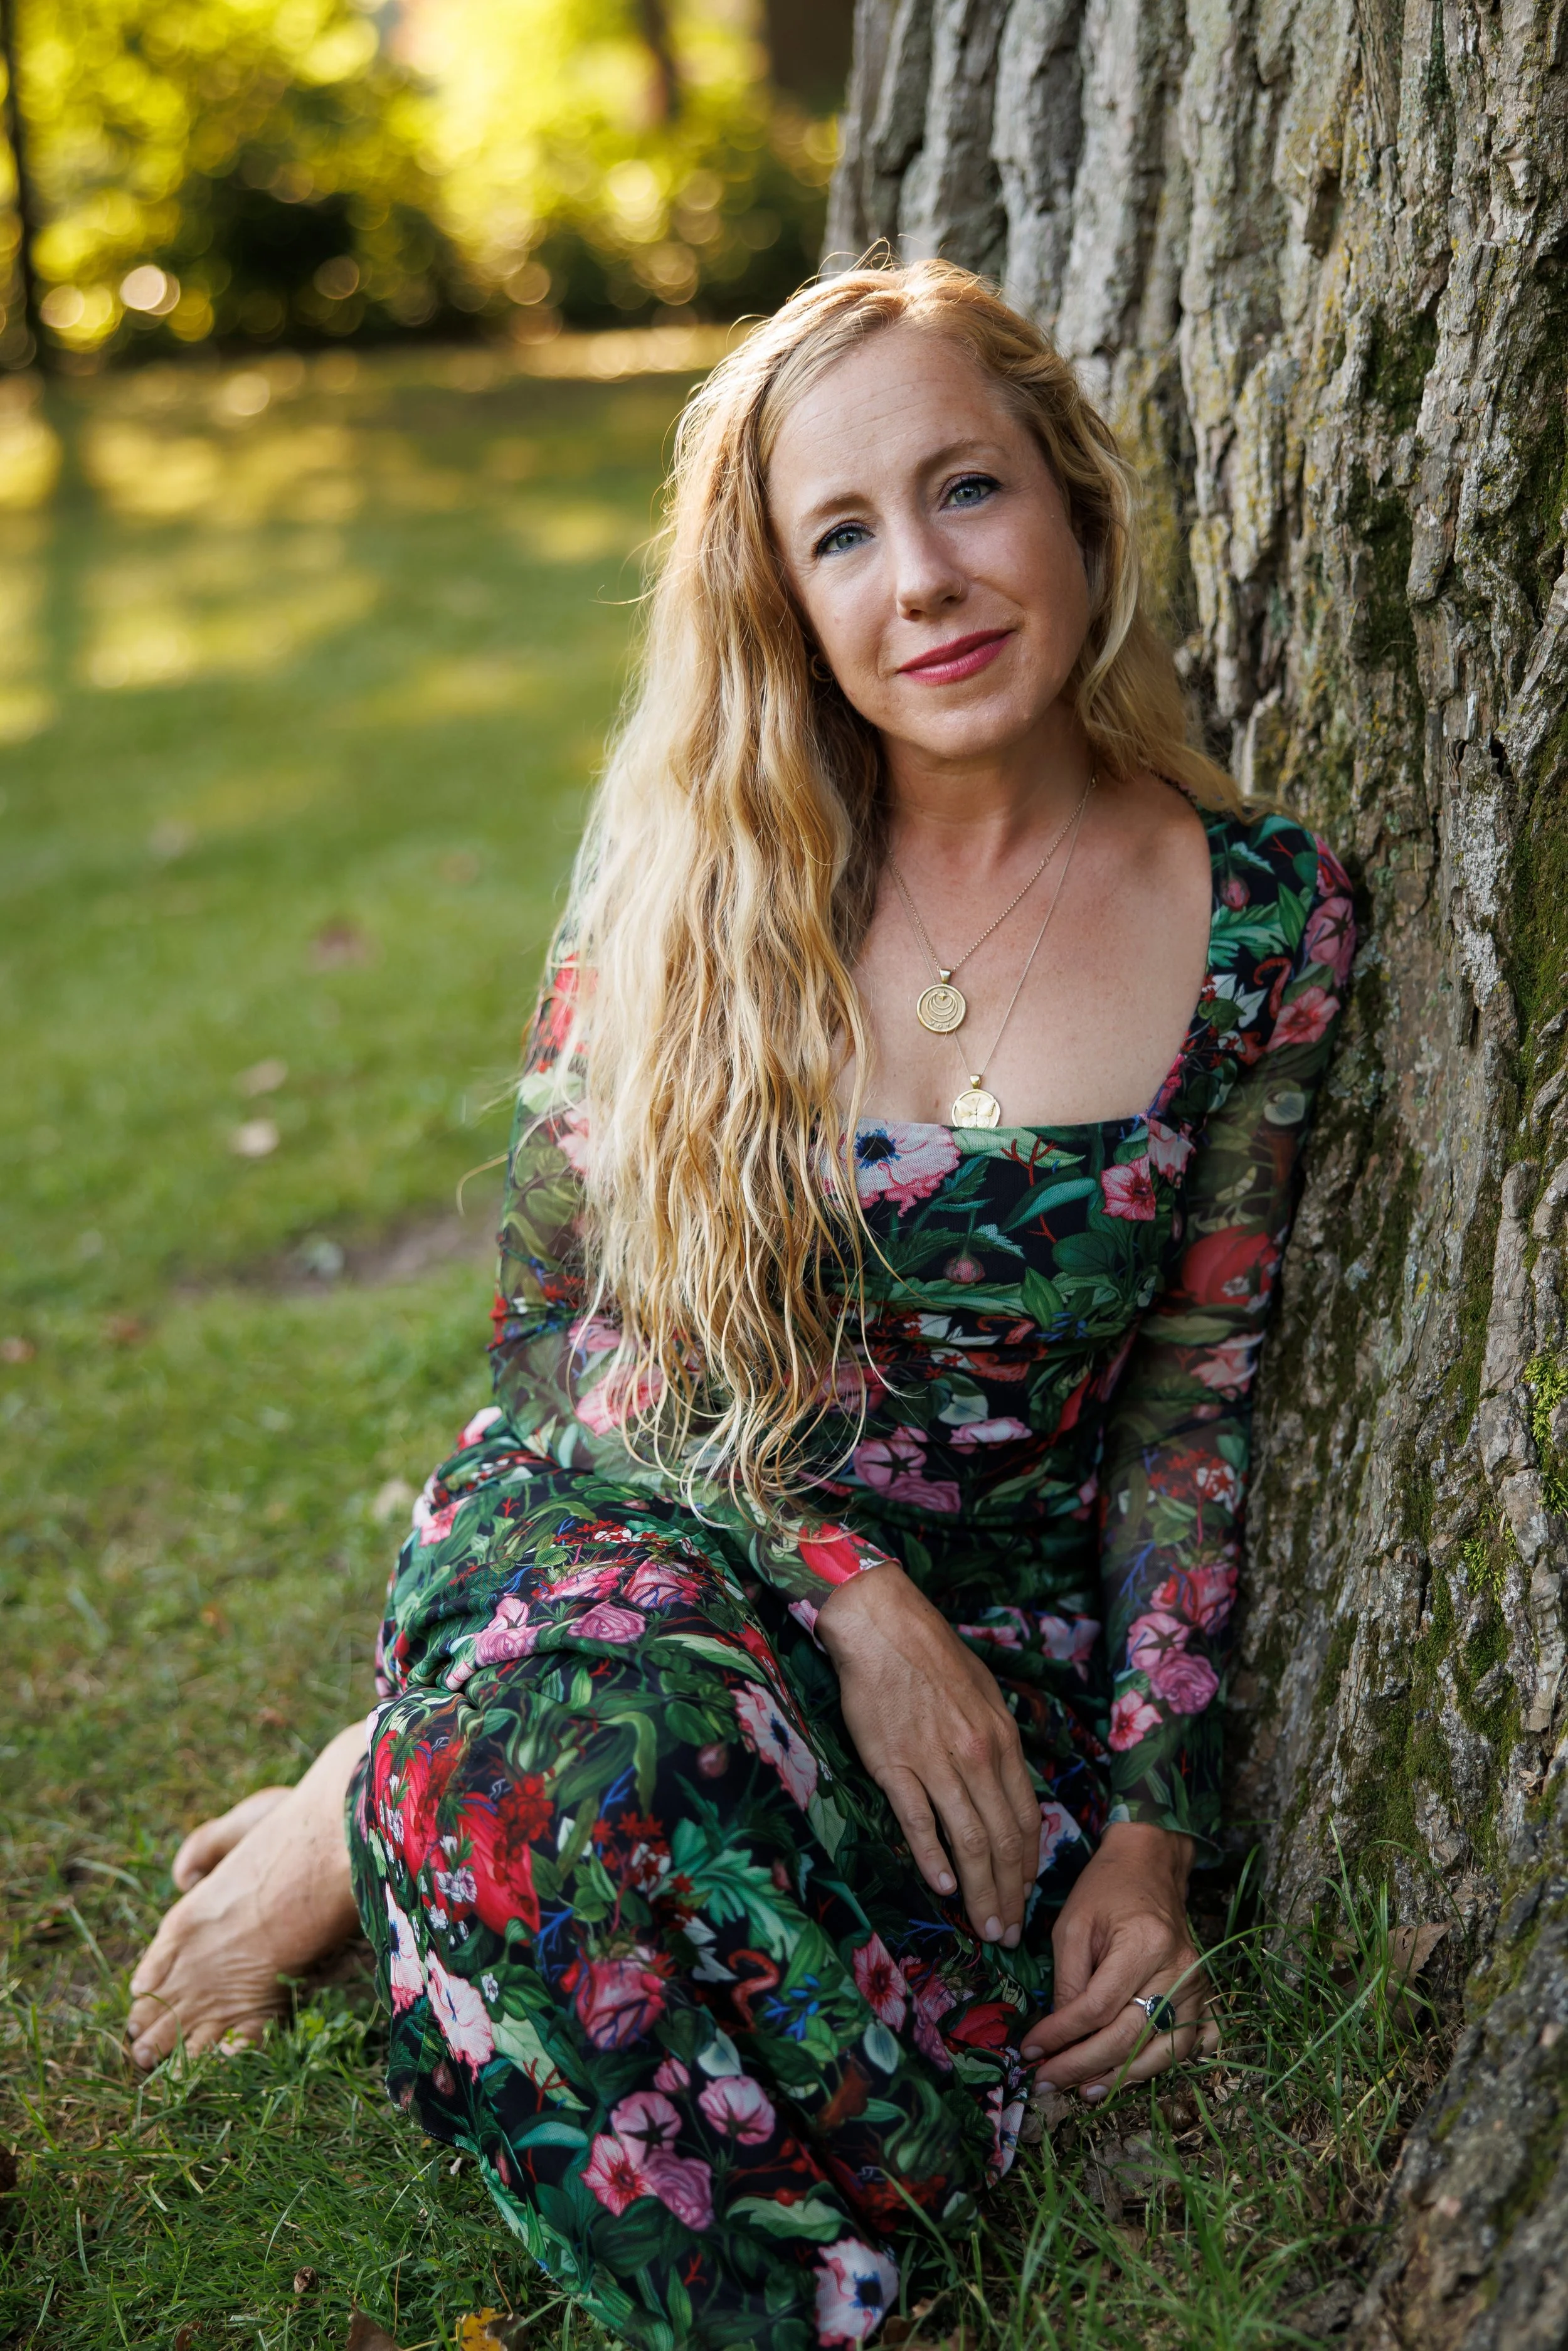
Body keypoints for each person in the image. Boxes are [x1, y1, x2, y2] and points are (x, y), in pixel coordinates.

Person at [127, 260, 1355, 2349]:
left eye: (966, 490)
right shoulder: (705, 878)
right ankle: (419, 1797)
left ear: (1074, 503)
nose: (925, 584)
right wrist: (840, 1583)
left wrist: (1147, 1832)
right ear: (783, 597)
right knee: (575, 1773)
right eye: (843, 535)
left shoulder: (1259, 921)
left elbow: (1186, 1399)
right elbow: (558, 1341)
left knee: (910, 2020)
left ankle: (388, 1794)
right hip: (642, 1506)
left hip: (994, 1630)